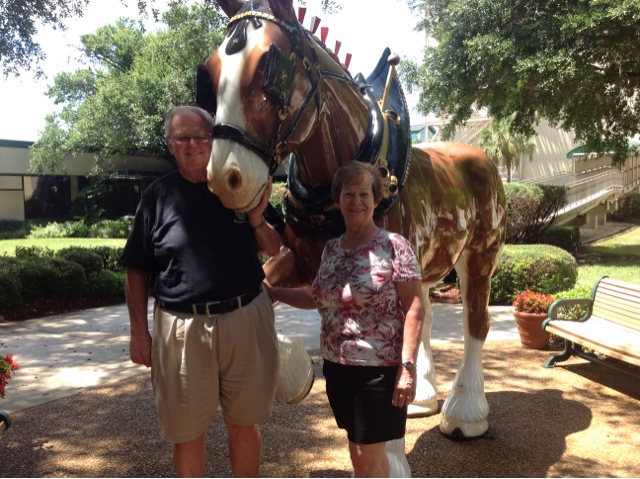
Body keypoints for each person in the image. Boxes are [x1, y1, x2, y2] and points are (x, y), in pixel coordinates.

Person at [119, 105, 284, 478]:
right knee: (186, 431)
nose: (192, 144)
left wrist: (256, 217)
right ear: (170, 144)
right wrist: (138, 331)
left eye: (201, 136)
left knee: (244, 423)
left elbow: (274, 248)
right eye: (182, 138)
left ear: (215, 140)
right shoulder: (157, 196)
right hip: (181, 328)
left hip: (245, 318)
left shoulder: (239, 182)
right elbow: (136, 268)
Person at [265, 161, 425, 477]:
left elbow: (415, 308)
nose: (356, 201)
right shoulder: (332, 250)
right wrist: (272, 292)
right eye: (348, 194)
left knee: (364, 457)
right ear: (338, 200)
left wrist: (408, 367)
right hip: (338, 368)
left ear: (375, 199)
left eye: (364, 194)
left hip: (378, 370)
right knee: (365, 455)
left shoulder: (394, 246)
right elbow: (317, 297)